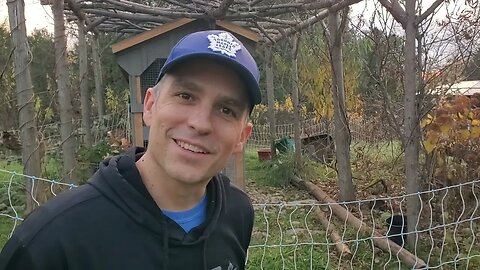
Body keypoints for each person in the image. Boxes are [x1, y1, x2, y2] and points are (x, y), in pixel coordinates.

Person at [0, 30, 261, 270]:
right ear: (149, 106)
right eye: (186, 96)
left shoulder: (237, 213)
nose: (200, 123)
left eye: (226, 110)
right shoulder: (53, 240)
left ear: (241, 137)